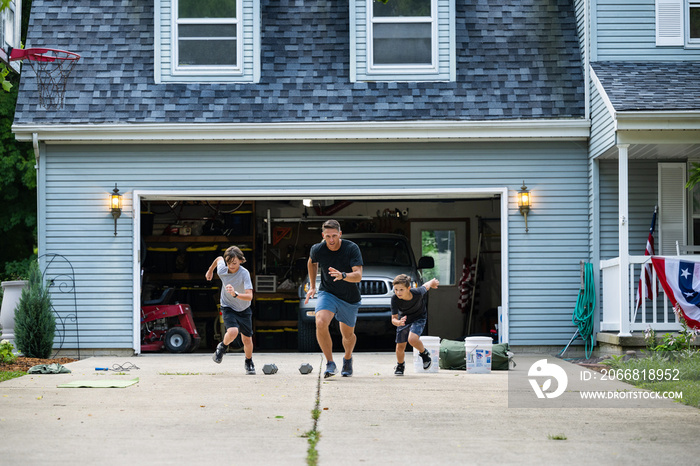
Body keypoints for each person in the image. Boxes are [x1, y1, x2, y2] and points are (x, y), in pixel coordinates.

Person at [304, 219, 363, 378]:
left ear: (340, 234)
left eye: (334, 236)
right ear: (323, 235)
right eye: (328, 236)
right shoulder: (317, 249)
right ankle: (330, 363)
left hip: (349, 297)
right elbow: (311, 262)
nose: (331, 240)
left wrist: (343, 275)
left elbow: (358, 276)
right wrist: (313, 286)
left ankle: (348, 358)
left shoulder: (351, 248)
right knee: (320, 321)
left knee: (348, 336)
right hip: (328, 292)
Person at [205, 246, 256, 374]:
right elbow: (218, 259)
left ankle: (248, 361)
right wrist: (210, 271)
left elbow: (250, 296)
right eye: (229, 263)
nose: (231, 266)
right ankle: (222, 347)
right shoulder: (223, 270)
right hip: (228, 306)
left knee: (247, 339)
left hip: (244, 308)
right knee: (233, 332)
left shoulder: (244, 274)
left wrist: (236, 294)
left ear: (240, 260)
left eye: (234, 263)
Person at [391, 274, 439, 376]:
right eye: (396, 289)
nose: (398, 292)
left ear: (409, 288)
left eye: (401, 289)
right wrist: (398, 322)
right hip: (404, 320)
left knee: (412, 339)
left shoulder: (417, 293)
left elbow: (426, 286)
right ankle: (400, 365)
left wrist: (432, 282)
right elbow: (393, 319)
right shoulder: (394, 299)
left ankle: (424, 353)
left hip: (419, 317)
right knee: (400, 347)